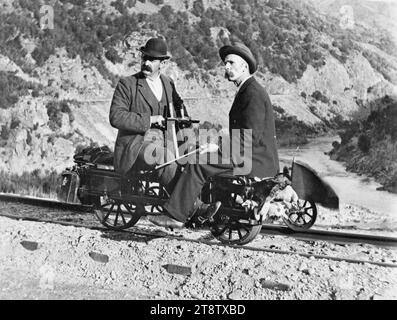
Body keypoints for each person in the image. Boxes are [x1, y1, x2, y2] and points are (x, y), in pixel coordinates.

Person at [148, 41, 280, 229]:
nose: (226, 67)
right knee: (200, 156)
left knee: (197, 164)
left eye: (231, 63)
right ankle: (205, 208)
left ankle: (176, 215)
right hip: (250, 155)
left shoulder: (252, 93)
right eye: (225, 63)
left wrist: (218, 146)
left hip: (253, 159)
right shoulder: (248, 90)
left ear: (244, 66)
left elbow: (250, 137)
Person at [109, 37, 188, 192]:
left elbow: (181, 110)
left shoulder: (168, 84)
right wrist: (150, 120)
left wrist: (185, 125)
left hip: (165, 142)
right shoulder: (128, 84)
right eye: (145, 58)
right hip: (136, 145)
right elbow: (116, 116)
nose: (146, 63)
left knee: (195, 155)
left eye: (152, 60)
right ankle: (189, 208)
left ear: (163, 64)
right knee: (164, 157)